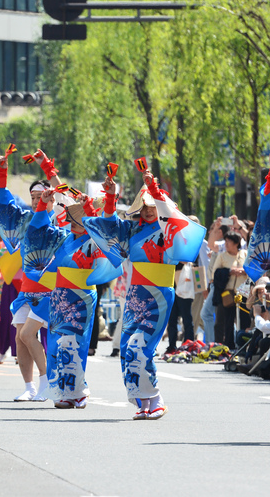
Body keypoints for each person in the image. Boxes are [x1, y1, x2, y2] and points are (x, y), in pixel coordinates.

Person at [84, 165, 204, 420]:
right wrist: (110, 197)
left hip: (160, 293)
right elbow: (108, 226)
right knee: (128, 348)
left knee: (141, 347)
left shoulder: (169, 228)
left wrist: (155, 189)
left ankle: (156, 398)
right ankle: (143, 401)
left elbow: (175, 221)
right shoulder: (132, 229)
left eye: (154, 205)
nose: (150, 209)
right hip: (136, 295)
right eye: (146, 205)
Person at [31, 190, 120, 409]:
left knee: (74, 344)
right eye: (70, 219)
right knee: (56, 344)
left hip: (81, 295)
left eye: (76, 220)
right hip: (60, 296)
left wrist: (92, 209)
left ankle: (76, 392)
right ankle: (67, 390)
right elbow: (38, 232)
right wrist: (42, 205)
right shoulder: (63, 238)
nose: (71, 222)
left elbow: (108, 231)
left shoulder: (94, 241)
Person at [0, 148, 63, 402]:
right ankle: (30, 386)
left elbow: (66, 193)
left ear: (52, 198)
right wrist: (1, 173)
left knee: (27, 334)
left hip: (52, 290)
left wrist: (47, 166)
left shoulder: (61, 221)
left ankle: (47, 382)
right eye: (32, 197)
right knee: (20, 339)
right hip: (26, 289)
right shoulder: (26, 221)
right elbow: (3, 209)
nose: (36, 201)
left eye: (41, 196)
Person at [210, 231, 247, 349]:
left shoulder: (245, 254)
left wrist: (243, 271)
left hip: (243, 293)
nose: (225, 244)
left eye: (228, 241)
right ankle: (228, 345)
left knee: (244, 320)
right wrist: (229, 272)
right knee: (228, 321)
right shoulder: (222, 256)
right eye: (225, 241)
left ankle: (243, 345)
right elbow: (214, 274)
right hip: (228, 294)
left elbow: (252, 270)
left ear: (236, 243)